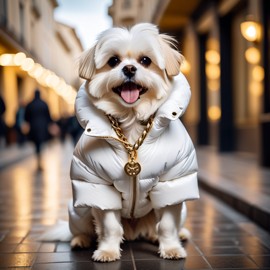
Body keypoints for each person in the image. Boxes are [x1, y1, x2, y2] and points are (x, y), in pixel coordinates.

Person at [24, 89, 52, 170]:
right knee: (40, 144)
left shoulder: (30, 104)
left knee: (37, 144)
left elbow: (26, 117)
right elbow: (48, 116)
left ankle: (38, 160)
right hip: (43, 127)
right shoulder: (44, 104)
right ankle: (40, 160)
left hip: (33, 127)